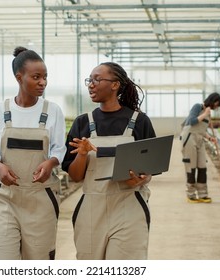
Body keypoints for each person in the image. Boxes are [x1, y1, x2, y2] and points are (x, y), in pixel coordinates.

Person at [61, 62, 156, 260]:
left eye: (97, 79)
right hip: (90, 209)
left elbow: (149, 170)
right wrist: (82, 154)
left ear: (115, 85)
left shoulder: (139, 121)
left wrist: (140, 180)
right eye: (89, 80)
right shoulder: (82, 123)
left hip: (129, 206)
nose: (91, 84)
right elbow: (76, 176)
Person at [0, 46, 66, 260]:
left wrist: (50, 164)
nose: (43, 82)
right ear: (19, 77)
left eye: (45, 77)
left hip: (41, 198)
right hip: (6, 198)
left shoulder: (52, 111)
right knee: (5, 259)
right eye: (36, 77)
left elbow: (59, 147)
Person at [179, 92, 220, 203]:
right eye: (217, 104)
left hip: (199, 139)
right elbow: (192, 121)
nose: (217, 107)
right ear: (213, 101)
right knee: (191, 166)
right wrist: (204, 114)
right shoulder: (197, 106)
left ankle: (203, 194)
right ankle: (191, 195)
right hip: (189, 138)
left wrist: (209, 137)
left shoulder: (208, 113)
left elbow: (201, 130)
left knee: (202, 166)